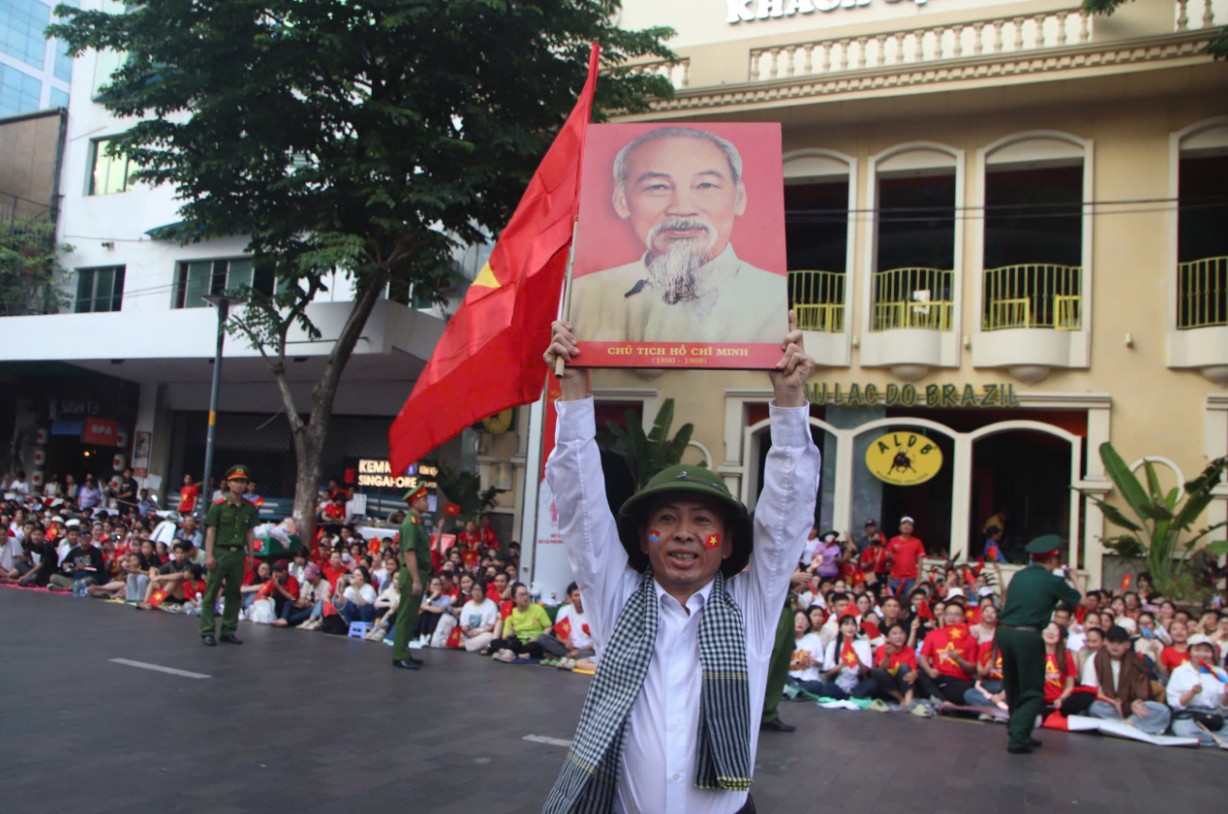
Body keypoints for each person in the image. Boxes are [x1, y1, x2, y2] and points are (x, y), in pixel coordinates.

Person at [540, 313, 819, 813]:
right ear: (645, 541)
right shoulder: (616, 599)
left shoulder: (752, 608)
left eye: (701, 520)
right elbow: (582, 505)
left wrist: (790, 402)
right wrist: (577, 391)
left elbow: (786, 515)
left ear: (728, 544)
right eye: (666, 518)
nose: (684, 533)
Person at [566, 126, 786, 345]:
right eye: (657, 187)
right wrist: (572, 378)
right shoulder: (583, 296)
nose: (681, 208)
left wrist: (786, 381)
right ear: (621, 201)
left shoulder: (774, 298)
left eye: (705, 185)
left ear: (738, 198)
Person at [995, 534, 1083, 754]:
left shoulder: (1019, 576)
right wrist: (1074, 577)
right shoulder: (1053, 580)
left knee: (1013, 686)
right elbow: (1082, 600)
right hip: (1027, 636)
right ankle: (1018, 738)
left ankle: (1018, 731)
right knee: (1033, 690)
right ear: (1053, 560)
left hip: (1004, 633)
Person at [198, 465, 260, 647]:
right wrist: (209, 555)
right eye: (236, 481)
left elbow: (250, 532)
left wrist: (251, 555)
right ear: (229, 483)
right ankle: (207, 631)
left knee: (234, 593)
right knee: (211, 592)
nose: (239, 485)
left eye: (242, 482)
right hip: (220, 551)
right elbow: (211, 531)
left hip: (238, 553)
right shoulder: (218, 506)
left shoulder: (249, 508)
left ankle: (228, 630)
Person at [1082, 624, 1173, 735]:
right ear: (1105, 642)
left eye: (1120, 642)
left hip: (1132, 709)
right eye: (1112, 642)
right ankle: (1131, 725)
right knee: (1095, 707)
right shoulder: (1095, 659)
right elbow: (1090, 690)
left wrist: (1135, 703)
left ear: (1128, 645)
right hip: (1109, 705)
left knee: (1162, 711)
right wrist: (1113, 702)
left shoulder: (1136, 661)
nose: (1115, 646)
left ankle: (1122, 724)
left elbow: (1142, 690)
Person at [391, 486, 430, 671]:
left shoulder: (418, 522)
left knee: (411, 615)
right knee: (406, 616)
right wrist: (416, 580)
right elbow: (409, 554)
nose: (427, 502)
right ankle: (399, 654)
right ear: (415, 502)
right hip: (412, 572)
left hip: (419, 571)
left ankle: (404, 651)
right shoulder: (410, 523)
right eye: (424, 499)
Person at [1166, 634, 1228, 746]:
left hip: (1214, 715)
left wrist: (1226, 696)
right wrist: (1192, 693)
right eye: (1197, 650)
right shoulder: (1180, 671)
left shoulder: (1220, 673)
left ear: (1212, 653)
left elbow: (1223, 708)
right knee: (1184, 730)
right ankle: (1213, 740)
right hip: (1189, 715)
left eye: (1207, 650)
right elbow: (1175, 703)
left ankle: (1209, 740)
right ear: (1190, 652)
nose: (1202, 654)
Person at [488, 582, 553, 662]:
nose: (525, 597)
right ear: (514, 599)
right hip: (517, 642)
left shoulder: (538, 609)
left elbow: (548, 626)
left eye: (526, 594)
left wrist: (538, 638)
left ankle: (509, 654)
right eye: (522, 595)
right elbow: (504, 637)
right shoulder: (511, 613)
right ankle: (518, 654)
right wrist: (510, 634)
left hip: (532, 641)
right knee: (494, 642)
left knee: (536, 647)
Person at [885, 517, 925, 597]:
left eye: (909, 525)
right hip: (895, 578)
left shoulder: (917, 542)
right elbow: (887, 558)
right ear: (900, 527)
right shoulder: (893, 540)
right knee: (894, 600)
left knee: (908, 601)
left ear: (912, 528)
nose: (906, 526)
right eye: (904, 524)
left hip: (911, 578)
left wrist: (919, 579)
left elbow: (920, 561)